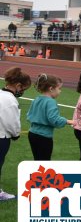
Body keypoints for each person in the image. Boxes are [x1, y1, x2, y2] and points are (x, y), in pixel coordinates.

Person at [0, 67, 31, 200]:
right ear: (18, 86)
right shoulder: (11, 100)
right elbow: (12, 123)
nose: (22, 91)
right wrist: (16, 134)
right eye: (23, 88)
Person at [27, 74, 74, 160]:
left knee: (37, 160)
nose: (60, 91)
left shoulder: (36, 99)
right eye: (59, 88)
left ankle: (36, 173)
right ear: (51, 88)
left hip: (32, 134)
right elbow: (54, 119)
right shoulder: (51, 102)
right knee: (44, 162)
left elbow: (29, 115)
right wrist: (69, 121)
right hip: (43, 137)